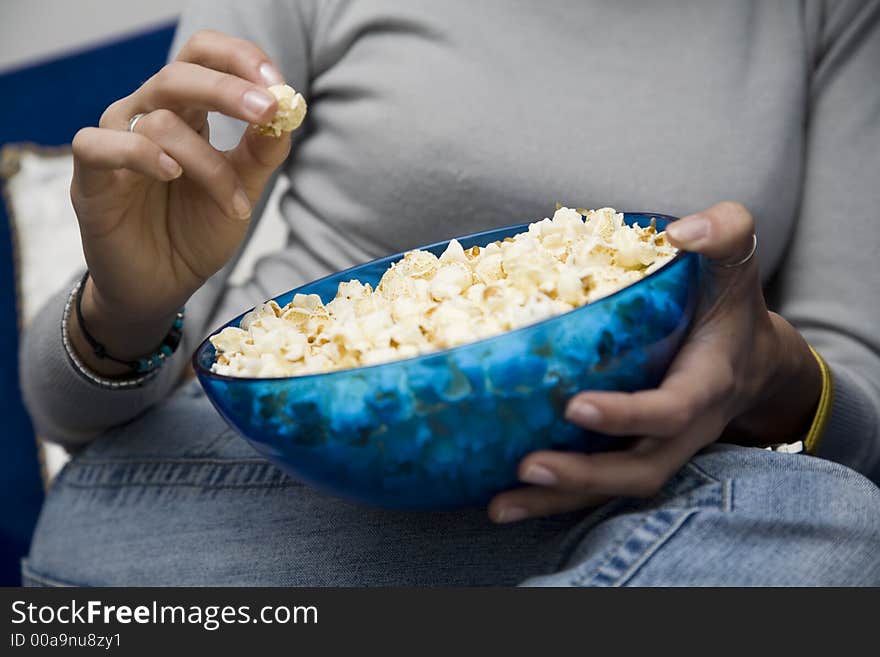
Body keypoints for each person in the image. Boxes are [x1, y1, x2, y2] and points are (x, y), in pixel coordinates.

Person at [19, 0, 880, 586]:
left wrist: (770, 369)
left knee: (825, 518)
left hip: (649, 494)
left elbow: (853, 410)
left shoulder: (828, 14)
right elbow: (74, 418)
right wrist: (125, 303)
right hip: (249, 480)